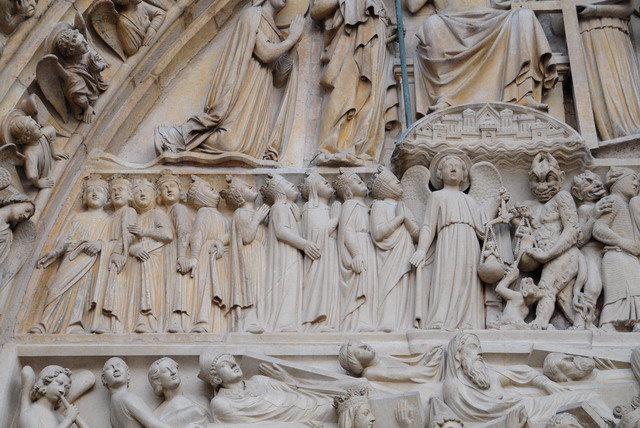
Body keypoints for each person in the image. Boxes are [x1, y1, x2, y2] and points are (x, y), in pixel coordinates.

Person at [155, 0, 304, 161]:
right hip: (242, 90)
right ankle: (176, 137)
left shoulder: (276, 32)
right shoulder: (252, 15)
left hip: (257, 97)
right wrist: (291, 39)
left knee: (248, 151)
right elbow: (265, 53)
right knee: (229, 144)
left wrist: (293, 44)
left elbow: (279, 79)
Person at [408, 0, 557, 115]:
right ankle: (446, 98)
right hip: (449, 22)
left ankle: (522, 94)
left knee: (524, 15)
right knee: (432, 24)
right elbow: (413, 6)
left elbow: (502, 2)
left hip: (491, 20)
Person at [442, 333, 613, 424]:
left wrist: (545, 383)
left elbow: (522, 371)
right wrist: (513, 404)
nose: (480, 352)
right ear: (458, 353)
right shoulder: (454, 387)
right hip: (525, 413)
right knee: (587, 398)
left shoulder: (487, 374)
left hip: (531, 406)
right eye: (473, 347)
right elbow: (482, 416)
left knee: (589, 396)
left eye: (479, 347)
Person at [310, 0, 398, 164]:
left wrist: (392, 31)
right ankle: (328, 148)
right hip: (350, 36)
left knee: (373, 96)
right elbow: (316, 10)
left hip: (378, 38)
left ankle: (362, 151)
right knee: (343, 90)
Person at [410, 150, 485, 330]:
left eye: (458, 166)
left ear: (464, 175)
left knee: (468, 280)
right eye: (448, 166)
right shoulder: (437, 196)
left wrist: (499, 203)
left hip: (470, 243)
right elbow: (428, 226)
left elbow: (483, 230)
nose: (453, 168)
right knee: (447, 278)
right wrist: (421, 250)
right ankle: (440, 319)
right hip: (448, 240)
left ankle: (468, 321)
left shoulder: (470, 201)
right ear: (439, 173)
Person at [31, 175, 111, 334]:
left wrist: (100, 244)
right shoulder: (76, 216)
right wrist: (56, 251)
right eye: (90, 191)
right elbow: (65, 237)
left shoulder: (108, 220)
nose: (94, 193)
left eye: (99, 191)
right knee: (57, 288)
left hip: (91, 261)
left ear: (107, 199)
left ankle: (75, 324)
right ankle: (45, 323)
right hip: (71, 257)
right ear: (84, 197)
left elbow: (114, 241)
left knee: (82, 291)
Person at [198, 350, 360, 424]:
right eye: (225, 365)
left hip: (317, 401)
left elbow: (300, 389)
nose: (233, 364)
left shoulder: (259, 380)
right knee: (359, 409)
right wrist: (297, 425)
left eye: (233, 360)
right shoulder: (222, 403)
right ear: (216, 378)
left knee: (359, 388)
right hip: (311, 418)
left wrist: (286, 378)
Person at [578, 0, 640, 140]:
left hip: (615, 30)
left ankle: (630, 125)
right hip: (585, 33)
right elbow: (557, 24)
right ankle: (614, 131)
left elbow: (628, 9)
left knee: (622, 81)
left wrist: (596, 10)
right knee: (601, 83)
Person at [593, 167, 640, 332]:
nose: (636, 183)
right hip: (616, 254)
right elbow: (599, 228)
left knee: (635, 290)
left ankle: (636, 322)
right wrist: (622, 242)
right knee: (617, 292)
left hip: (629, 256)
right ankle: (608, 323)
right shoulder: (614, 201)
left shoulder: (629, 204)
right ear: (619, 181)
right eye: (632, 178)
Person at [221, 175, 269, 333]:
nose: (253, 187)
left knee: (260, 287)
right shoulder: (240, 213)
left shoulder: (257, 212)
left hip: (260, 253)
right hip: (248, 254)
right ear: (239, 195)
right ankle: (249, 321)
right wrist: (257, 219)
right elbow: (246, 237)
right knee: (251, 286)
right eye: (248, 187)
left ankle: (260, 319)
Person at [334, 169, 378, 332]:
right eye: (355, 180)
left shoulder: (364, 206)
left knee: (370, 283)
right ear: (348, 189)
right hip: (359, 246)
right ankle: (357, 322)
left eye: (360, 179)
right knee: (360, 282)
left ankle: (367, 319)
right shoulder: (350, 204)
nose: (360, 180)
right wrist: (356, 253)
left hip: (367, 245)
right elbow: (347, 230)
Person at [299, 171, 340, 332]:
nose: (328, 183)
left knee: (331, 286)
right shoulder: (310, 208)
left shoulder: (327, 208)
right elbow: (316, 235)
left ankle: (329, 322)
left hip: (330, 252)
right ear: (314, 189)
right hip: (319, 255)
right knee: (320, 285)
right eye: (323, 182)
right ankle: (315, 323)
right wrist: (335, 220)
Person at [103, 357, 171, 428]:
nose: (116, 369)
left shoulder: (113, 406)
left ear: (128, 374)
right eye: (110, 367)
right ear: (104, 379)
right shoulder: (128, 397)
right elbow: (153, 425)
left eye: (119, 365)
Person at [338, 339, 442, 383]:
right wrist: (432, 365)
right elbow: (408, 374)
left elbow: (408, 367)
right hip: (428, 377)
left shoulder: (382, 358)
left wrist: (427, 359)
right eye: (359, 351)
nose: (364, 346)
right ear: (356, 363)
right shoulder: (370, 373)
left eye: (360, 343)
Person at [148, 357, 210, 427]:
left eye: (173, 367)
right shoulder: (157, 415)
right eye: (165, 371)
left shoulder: (202, 401)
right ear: (157, 381)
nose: (173, 372)